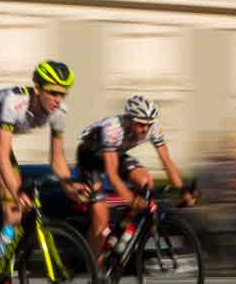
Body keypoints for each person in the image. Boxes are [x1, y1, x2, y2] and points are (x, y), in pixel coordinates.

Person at [0, 60, 87, 264]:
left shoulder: (60, 112)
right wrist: (16, 191)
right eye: (53, 93)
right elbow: (2, 154)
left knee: (15, 214)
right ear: (38, 89)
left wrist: (69, 185)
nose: (58, 100)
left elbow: (57, 158)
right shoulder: (14, 103)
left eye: (63, 94)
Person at [75, 95, 193, 262]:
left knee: (146, 182)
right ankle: (93, 266)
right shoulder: (112, 128)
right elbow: (111, 172)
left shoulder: (154, 127)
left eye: (148, 124)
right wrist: (130, 199)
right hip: (90, 158)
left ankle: (122, 229)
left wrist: (182, 190)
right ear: (130, 120)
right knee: (101, 221)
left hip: (116, 152)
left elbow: (166, 160)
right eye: (140, 124)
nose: (145, 129)